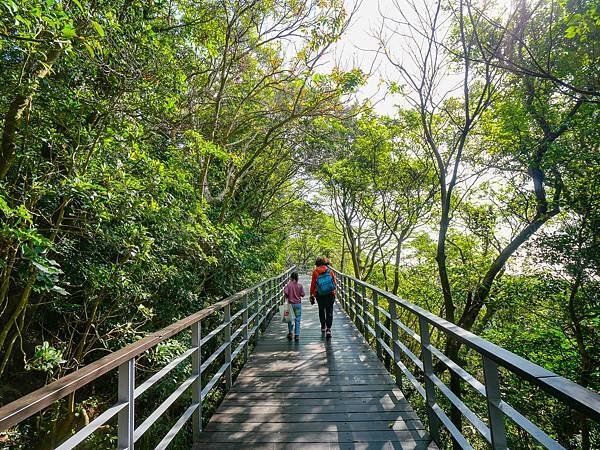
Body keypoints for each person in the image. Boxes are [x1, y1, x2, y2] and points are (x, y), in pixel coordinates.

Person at [310, 257, 336, 339]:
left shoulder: (315, 272)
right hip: (330, 294)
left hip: (319, 294)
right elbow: (334, 284)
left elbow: (313, 284)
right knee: (329, 310)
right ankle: (328, 329)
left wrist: (311, 294)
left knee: (321, 309)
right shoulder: (330, 271)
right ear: (325, 263)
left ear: (317, 263)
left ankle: (323, 327)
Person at [283, 271, 304, 341]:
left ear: (291, 278)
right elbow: (303, 294)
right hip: (298, 305)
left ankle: (290, 332)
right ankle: (297, 335)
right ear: (297, 278)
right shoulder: (300, 285)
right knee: (297, 319)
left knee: (289, 319)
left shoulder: (288, 285)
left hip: (290, 304)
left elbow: (286, 294)